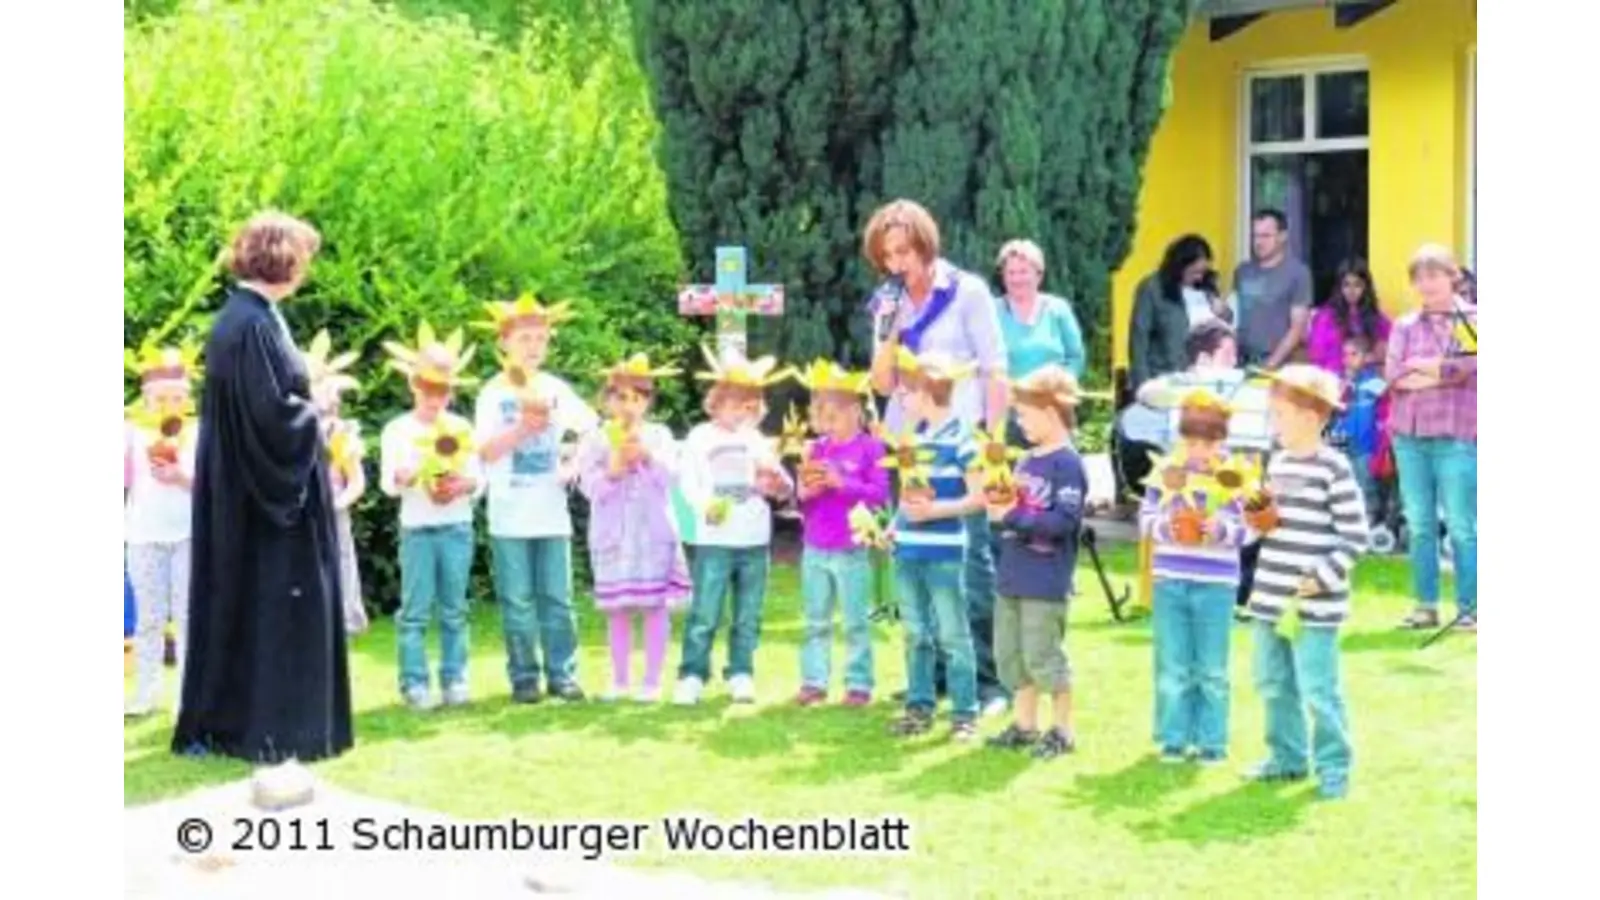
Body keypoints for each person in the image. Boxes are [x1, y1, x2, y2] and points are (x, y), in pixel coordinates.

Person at [173, 211, 353, 763]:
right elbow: (271, 415)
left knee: (246, 600)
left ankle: (239, 720)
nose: (306, 268)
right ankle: (275, 727)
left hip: (245, 492)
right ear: (284, 259)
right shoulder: (252, 324)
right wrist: (317, 410)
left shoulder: (246, 318)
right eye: (303, 256)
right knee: (275, 603)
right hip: (266, 502)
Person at [864, 199, 1009, 715]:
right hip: (910, 450)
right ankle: (933, 679)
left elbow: (995, 369)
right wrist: (887, 332)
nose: (897, 264)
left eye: (904, 251)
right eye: (887, 256)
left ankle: (989, 682)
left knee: (970, 561)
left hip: (962, 443)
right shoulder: (888, 303)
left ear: (926, 245)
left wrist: (994, 444)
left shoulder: (966, 291)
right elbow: (881, 382)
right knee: (919, 561)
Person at [1243, 364, 1370, 800]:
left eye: (1279, 414)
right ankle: (1287, 758)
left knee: (1318, 688)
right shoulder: (1274, 463)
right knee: (1271, 681)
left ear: (1312, 417)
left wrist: (1323, 576)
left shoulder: (1333, 468)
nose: (1272, 423)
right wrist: (1256, 521)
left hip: (1315, 605)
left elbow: (1357, 536)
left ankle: (1334, 765)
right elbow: (1266, 527)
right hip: (1270, 597)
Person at [474, 295, 598, 704]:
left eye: (541, 338)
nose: (533, 346)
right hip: (509, 514)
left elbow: (588, 429)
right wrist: (522, 431)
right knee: (517, 602)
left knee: (558, 600)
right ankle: (524, 678)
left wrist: (571, 463)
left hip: (552, 515)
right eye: (525, 338)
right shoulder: (492, 393)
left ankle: (563, 675)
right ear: (504, 342)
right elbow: (485, 452)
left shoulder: (556, 389)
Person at [674, 348, 793, 705]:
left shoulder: (759, 441)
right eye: (739, 403)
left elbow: (782, 487)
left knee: (748, 614)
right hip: (715, 539)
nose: (746, 411)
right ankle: (692, 674)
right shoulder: (700, 437)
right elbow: (687, 483)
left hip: (754, 540)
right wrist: (703, 506)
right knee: (705, 612)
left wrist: (777, 485)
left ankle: (741, 672)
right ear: (718, 401)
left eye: (753, 405)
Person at [1138, 390, 1249, 765]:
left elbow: (1253, 528)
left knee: (1212, 667)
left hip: (1217, 583)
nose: (1198, 450)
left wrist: (1219, 530)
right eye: (1190, 441)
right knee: (1172, 663)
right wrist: (1170, 527)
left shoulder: (1235, 476)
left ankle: (1212, 741)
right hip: (1171, 578)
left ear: (1223, 440)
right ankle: (1173, 737)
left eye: (1208, 441)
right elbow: (1145, 519)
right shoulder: (1167, 472)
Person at [1132, 321, 1272, 614]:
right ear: (1203, 358)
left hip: (1234, 465)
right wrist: (1196, 381)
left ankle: (1241, 595)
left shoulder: (1244, 389)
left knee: (1245, 525)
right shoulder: (1180, 385)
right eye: (1227, 354)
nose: (1235, 361)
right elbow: (1146, 393)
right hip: (1186, 476)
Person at [984, 365, 1087, 760]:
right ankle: (1025, 726)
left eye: (1025, 414)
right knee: (1011, 656)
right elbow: (1012, 503)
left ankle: (1063, 730)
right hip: (1012, 574)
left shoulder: (1068, 464)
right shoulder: (1025, 459)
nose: (1020, 422)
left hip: (1045, 580)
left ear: (1052, 411)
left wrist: (1011, 516)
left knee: (1044, 656)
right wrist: (999, 503)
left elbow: (1063, 522)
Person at [379, 324, 485, 710]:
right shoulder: (397, 430)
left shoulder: (461, 427)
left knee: (455, 608)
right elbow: (388, 484)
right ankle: (414, 683)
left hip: (456, 527)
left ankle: (455, 680)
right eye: (428, 387)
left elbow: (479, 478)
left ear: (451, 391)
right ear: (414, 385)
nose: (434, 397)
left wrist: (464, 485)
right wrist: (404, 477)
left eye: (442, 389)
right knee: (415, 611)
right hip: (418, 529)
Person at [576, 353, 691, 702]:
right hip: (614, 536)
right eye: (621, 397)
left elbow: (673, 478)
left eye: (638, 398)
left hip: (653, 536)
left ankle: (652, 681)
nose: (629, 406)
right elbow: (587, 485)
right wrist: (612, 471)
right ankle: (620, 680)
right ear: (607, 399)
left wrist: (646, 458)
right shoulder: (596, 438)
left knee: (654, 605)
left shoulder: (659, 435)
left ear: (648, 402)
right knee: (618, 609)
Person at [885, 350, 987, 742]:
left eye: (907, 393)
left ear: (926, 393)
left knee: (953, 634)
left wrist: (935, 510)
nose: (903, 400)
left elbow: (977, 498)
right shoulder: (913, 438)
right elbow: (907, 493)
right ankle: (919, 705)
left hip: (944, 549)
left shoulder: (962, 438)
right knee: (915, 632)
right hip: (908, 549)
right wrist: (895, 526)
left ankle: (964, 712)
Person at [1386, 244, 1477, 632]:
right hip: (1409, 436)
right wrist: (1443, 370)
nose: (1426, 284)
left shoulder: (1471, 318)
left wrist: (1430, 369)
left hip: (1456, 435)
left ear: (1452, 275)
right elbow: (1395, 376)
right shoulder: (1405, 326)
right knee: (1420, 524)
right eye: (1419, 278)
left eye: (1433, 275)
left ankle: (1469, 609)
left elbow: (1472, 365)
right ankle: (1425, 606)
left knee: (1461, 525)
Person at [792, 360, 890, 707]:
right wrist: (806, 492)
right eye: (821, 417)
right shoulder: (816, 448)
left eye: (833, 416)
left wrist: (841, 483)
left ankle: (858, 684)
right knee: (815, 620)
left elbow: (880, 494)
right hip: (815, 546)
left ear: (854, 411)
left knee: (854, 622)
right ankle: (813, 682)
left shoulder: (871, 448)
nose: (826, 424)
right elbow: (801, 498)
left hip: (852, 548)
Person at [123, 342, 201, 717]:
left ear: (186, 397)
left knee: (188, 617)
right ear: (146, 397)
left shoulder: (201, 432)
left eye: (175, 396)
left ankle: (189, 696)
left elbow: (216, 486)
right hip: (143, 535)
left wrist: (183, 476)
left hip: (188, 534)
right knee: (148, 619)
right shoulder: (130, 432)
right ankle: (146, 691)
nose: (168, 403)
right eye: (160, 397)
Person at [304, 329, 369, 636]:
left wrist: (336, 505)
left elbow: (356, 481)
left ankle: (344, 620)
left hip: (332, 511)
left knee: (339, 563)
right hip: (298, 513)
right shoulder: (289, 432)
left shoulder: (341, 433)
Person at [1128, 234, 1231, 392]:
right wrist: (1142, 384)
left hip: (1206, 379)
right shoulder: (1153, 288)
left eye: (1203, 271)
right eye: (1194, 271)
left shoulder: (1206, 288)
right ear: (1179, 266)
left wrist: (1223, 311)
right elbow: (1139, 339)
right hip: (1166, 377)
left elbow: (1224, 330)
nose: (1199, 277)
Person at [994, 239, 1086, 383]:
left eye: (1023, 272)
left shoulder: (1059, 309)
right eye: (1010, 273)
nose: (1016, 279)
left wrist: (1063, 381)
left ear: (1039, 275)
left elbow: (1076, 358)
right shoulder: (992, 312)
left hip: (1051, 401)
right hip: (1007, 401)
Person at [1233, 210, 1314, 369]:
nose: (1258, 242)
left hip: (1279, 364)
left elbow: (1298, 327)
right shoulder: (1242, 271)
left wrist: (1271, 364)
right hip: (1241, 361)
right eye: (1255, 236)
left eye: (1266, 236)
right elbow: (1235, 316)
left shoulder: (1298, 273)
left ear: (1282, 236)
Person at [1327, 336, 1387, 523]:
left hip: (1364, 442)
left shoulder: (1374, 381)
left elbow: (1384, 395)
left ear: (1367, 357)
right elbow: (1331, 404)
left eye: (1354, 354)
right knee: (1337, 478)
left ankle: (1368, 516)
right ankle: (1338, 516)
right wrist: (1343, 386)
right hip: (1339, 438)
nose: (1349, 358)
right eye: (1345, 354)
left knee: (1364, 481)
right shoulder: (1336, 379)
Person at [1306, 258, 1391, 376]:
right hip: (1332, 382)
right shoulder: (1325, 318)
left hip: (1368, 383)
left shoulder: (1377, 319)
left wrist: (1367, 360)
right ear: (1339, 287)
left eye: (1357, 285)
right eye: (1346, 285)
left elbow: (1389, 354)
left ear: (1366, 287)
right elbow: (1316, 357)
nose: (1351, 291)